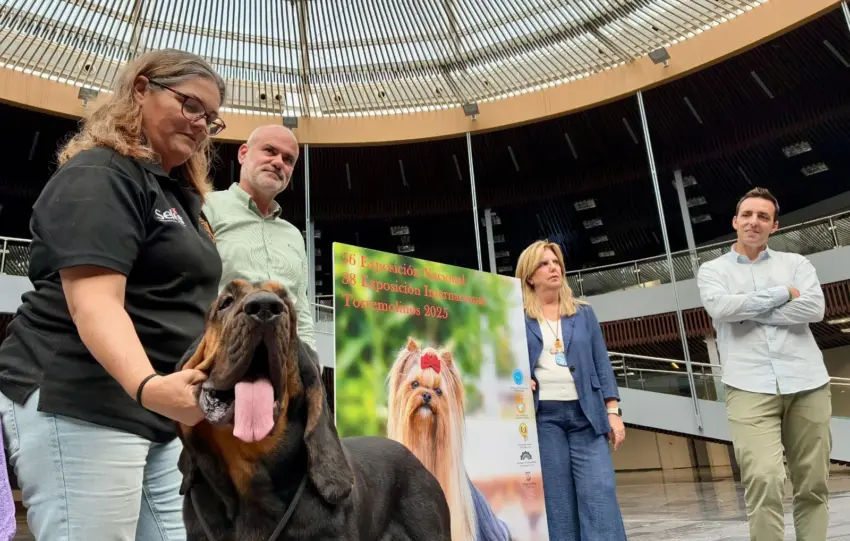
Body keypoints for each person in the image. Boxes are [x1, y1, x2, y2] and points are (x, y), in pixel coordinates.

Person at [0, 48, 226, 540]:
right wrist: (148, 385)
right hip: (82, 399)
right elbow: (94, 302)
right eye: (191, 105)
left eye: (211, 118)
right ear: (141, 89)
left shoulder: (179, 198)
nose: (201, 124)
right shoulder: (101, 172)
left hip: (157, 416)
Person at [697, 187, 831, 541]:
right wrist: (784, 294)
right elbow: (723, 310)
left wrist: (748, 310)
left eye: (763, 217)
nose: (754, 222)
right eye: (747, 215)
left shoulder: (797, 264)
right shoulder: (712, 270)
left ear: (775, 226)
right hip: (748, 385)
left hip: (808, 382)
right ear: (735, 221)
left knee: (813, 483)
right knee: (764, 479)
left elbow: (814, 309)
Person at [516, 240, 627, 541]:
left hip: (587, 416)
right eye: (544, 264)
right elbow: (508, 365)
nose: (553, 268)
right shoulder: (517, 316)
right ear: (529, 276)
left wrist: (613, 412)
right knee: (558, 502)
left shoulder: (583, 313)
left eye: (556, 262)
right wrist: (520, 377)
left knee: (599, 493)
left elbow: (601, 363)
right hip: (545, 419)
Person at [202, 124, 316, 353]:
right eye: (270, 151)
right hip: (224, 352)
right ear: (243, 153)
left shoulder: (294, 235)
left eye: (288, 160)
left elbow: (301, 309)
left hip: (282, 357)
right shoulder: (206, 206)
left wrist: (313, 362)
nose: (278, 162)